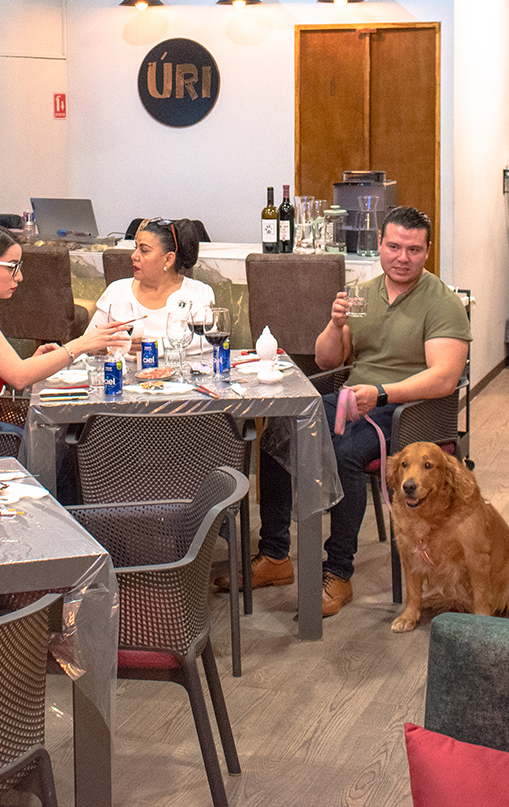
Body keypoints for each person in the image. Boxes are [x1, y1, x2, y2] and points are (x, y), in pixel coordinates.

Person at [241, 206, 471, 618]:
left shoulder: (442, 303)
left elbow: (444, 378)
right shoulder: (363, 294)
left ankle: (338, 572)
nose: (403, 258)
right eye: (394, 247)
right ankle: (275, 555)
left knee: (343, 450)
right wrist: (334, 325)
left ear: (427, 251)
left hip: (408, 414)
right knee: (279, 428)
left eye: (414, 250)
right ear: (379, 244)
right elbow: (329, 361)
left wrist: (381, 394)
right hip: (355, 398)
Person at [0, 223, 127, 431]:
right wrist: (81, 345)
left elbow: (7, 371)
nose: (19, 276)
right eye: (12, 267)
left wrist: (33, 363)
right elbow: (19, 377)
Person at [89, 217, 214, 344]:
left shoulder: (198, 292)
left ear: (168, 259)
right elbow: (89, 341)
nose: (133, 256)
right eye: (135, 248)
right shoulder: (117, 290)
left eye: (144, 250)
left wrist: (152, 348)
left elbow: (208, 342)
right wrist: (102, 346)